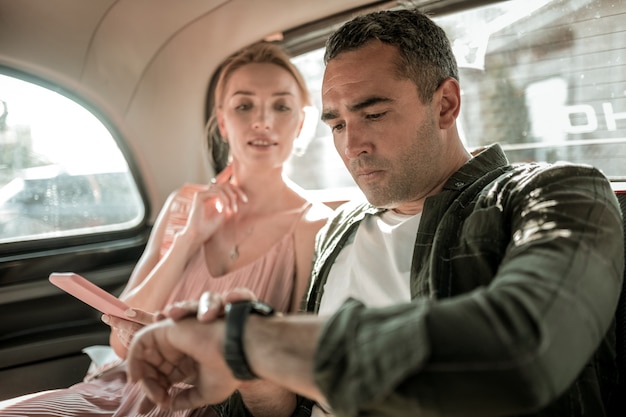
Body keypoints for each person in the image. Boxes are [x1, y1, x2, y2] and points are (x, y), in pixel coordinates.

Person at [125, 7, 625, 417]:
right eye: (337, 124)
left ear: (446, 104)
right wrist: (241, 366)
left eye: (373, 113)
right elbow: (285, 405)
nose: (353, 145)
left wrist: (250, 338)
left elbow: (523, 352)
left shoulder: (554, 194)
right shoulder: (337, 230)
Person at [0, 42, 331, 417]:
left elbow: (291, 374)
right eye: (244, 105)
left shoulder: (312, 224)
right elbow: (121, 344)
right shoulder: (183, 204)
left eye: (281, 106)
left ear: (300, 123)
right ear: (222, 121)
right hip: (121, 388)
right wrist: (188, 239)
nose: (262, 121)